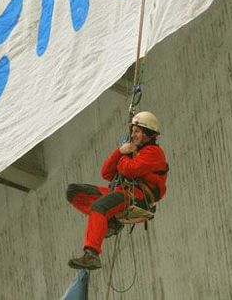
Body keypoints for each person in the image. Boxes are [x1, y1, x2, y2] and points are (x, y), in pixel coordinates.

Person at [66, 111, 168, 270]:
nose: (133, 135)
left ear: (148, 134)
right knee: (73, 192)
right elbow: (106, 173)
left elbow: (131, 170)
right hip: (123, 192)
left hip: (137, 197)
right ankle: (110, 221)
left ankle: (91, 254)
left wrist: (124, 155)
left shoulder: (154, 153)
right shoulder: (134, 152)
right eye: (133, 131)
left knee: (99, 207)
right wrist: (120, 151)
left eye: (138, 131)